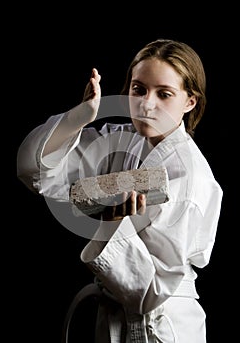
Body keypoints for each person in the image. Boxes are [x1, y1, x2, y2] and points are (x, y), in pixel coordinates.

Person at [17, 39, 223, 343]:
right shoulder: (119, 140)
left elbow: (149, 294)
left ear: (190, 101)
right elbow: (34, 171)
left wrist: (114, 227)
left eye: (164, 94)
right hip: (112, 319)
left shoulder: (190, 177)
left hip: (161, 327)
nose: (147, 104)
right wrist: (78, 118)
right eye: (138, 89)